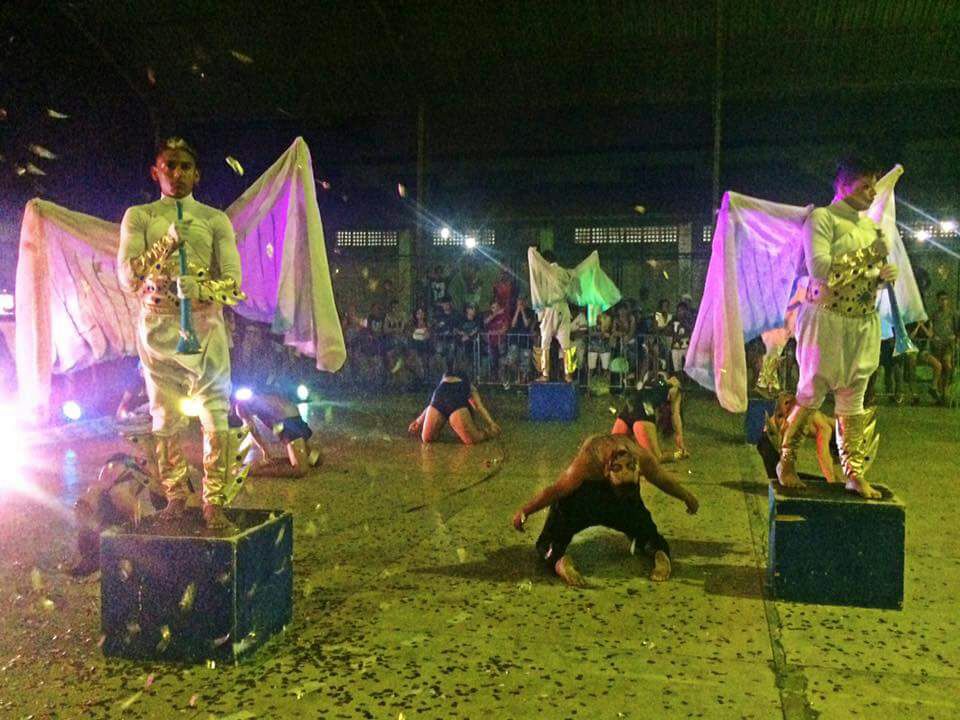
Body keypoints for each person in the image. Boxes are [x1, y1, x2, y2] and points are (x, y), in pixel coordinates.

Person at [117, 137, 246, 529]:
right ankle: (175, 496)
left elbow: (235, 286)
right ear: (155, 172)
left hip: (205, 328)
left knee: (215, 413)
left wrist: (203, 288)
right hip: (157, 329)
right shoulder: (139, 217)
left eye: (185, 166)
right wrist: (166, 244)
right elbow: (128, 279)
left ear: (197, 174)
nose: (177, 173)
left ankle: (214, 501)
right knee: (164, 415)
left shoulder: (214, 220)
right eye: (169, 166)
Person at [777, 158, 898, 499]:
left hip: (862, 323)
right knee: (810, 394)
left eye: (873, 186)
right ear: (843, 186)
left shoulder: (870, 226)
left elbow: (867, 273)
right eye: (864, 186)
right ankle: (786, 461)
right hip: (825, 320)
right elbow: (820, 269)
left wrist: (882, 276)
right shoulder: (822, 219)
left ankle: (854, 472)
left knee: (853, 399)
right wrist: (868, 256)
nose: (872, 193)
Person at [511, 434, 699, 586]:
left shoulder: (620, 458)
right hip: (585, 502)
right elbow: (556, 491)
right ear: (607, 471)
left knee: (548, 544)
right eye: (619, 467)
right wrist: (526, 510)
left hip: (610, 503)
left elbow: (558, 490)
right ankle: (657, 551)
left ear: (636, 468)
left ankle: (558, 560)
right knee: (646, 533)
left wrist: (687, 496)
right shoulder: (595, 458)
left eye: (628, 466)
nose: (624, 466)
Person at [758, 393, 847, 484]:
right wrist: (832, 482)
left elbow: (830, 461)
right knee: (780, 478)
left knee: (781, 479)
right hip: (768, 440)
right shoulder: (825, 427)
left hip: (768, 439)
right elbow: (824, 456)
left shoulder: (821, 420)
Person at [408, 358, 501, 445]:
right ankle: (489, 432)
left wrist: (418, 421)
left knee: (427, 439)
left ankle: (487, 432)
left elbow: (432, 404)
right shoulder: (468, 385)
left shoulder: (446, 380)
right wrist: (491, 423)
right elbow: (478, 407)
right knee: (473, 440)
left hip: (440, 399)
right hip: (453, 403)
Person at [233, 393, 322, 477]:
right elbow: (256, 428)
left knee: (299, 470)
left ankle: (252, 470)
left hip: (289, 423)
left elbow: (252, 429)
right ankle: (304, 458)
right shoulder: (260, 399)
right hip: (295, 418)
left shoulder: (244, 405)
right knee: (309, 457)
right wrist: (265, 449)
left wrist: (266, 448)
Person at [611, 374, 688, 462]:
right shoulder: (676, 388)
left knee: (612, 452)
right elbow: (675, 414)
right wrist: (679, 437)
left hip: (628, 410)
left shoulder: (654, 379)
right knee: (656, 458)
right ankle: (679, 454)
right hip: (644, 411)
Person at [528, 247, 578, 383]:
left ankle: (545, 375)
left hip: (551, 309)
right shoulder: (564, 272)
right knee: (566, 344)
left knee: (545, 343)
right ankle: (568, 375)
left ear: (545, 260)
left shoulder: (547, 272)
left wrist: (533, 252)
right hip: (564, 309)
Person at [928, 290, 958, 403]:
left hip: (949, 345)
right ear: (938, 301)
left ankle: (946, 389)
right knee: (940, 368)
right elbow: (931, 330)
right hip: (937, 345)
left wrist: (955, 338)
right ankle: (941, 394)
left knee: (947, 364)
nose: (944, 302)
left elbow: (957, 330)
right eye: (941, 300)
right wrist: (933, 336)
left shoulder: (953, 315)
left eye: (945, 299)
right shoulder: (934, 315)